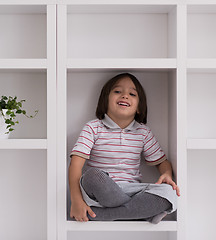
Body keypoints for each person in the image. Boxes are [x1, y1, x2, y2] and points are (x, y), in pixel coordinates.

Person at [68, 73, 180, 224]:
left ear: (139, 107)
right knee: (93, 176)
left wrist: (166, 174)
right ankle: (142, 213)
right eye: (117, 91)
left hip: (132, 191)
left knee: (169, 192)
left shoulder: (143, 132)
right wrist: (76, 201)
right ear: (105, 100)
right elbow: (75, 164)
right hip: (100, 192)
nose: (125, 96)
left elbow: (162, 162)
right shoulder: (93, 128)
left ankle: (100, 215)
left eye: (132, 94)